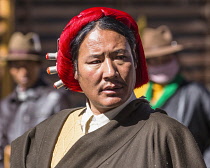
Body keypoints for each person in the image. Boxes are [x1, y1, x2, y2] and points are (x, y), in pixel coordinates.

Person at [10, 7, 206, 168]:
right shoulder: (44, 136)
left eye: (120, 57)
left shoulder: (166, 135)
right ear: (75, 70)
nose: (110, 72)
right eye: (95, 61)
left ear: (136, 62)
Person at [0, 32, 86, 168]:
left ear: (38, 65)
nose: (23, 71)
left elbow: (67, 145)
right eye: (17, 65)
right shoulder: (4, 106)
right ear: (10, 69)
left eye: (28, 64)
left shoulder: (55, 98)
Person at [134, 25, 210, 166]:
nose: (161, 64)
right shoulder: (137, 93)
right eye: (155, 60)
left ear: (176, 58)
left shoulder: (195, 92)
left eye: (166, 58)